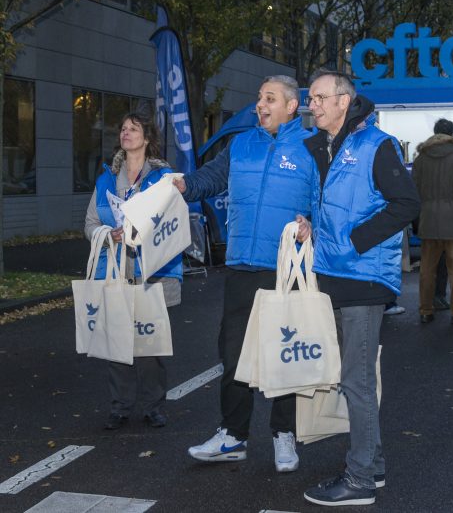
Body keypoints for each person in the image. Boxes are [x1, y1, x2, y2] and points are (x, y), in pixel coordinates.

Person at [178, 75, 315, 473]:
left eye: (269, 98)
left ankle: (283, 435)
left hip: (285, 269)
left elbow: (324, 202)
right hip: (241, 265)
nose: (261, 104)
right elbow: (209, 179)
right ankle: (233, 436)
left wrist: (313, 227)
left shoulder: (311, 148)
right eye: (259, 98)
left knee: (283, 354)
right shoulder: (241, 145)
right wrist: (182, 184)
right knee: (233, 355)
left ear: (292, 106)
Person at [302, 71, 420, 507]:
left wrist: (355, 240)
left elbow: (407, 203)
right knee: (353, 378)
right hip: (333, 273)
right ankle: (374, 463)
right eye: (310, 97)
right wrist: (310, 224)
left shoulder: (375, 144)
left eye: (318, 97)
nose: (310, 105)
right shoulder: (324, 145)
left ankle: (359, 480)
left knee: (355, 381)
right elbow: (333, 207)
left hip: (363, 278)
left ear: (343, 100)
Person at [84, 112, 183, 430]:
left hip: (153, 269)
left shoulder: (163, 177)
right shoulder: (105, 181)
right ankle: (120, 407)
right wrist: (107, 234)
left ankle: (154, 406)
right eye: (123, 128)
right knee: (117, 344)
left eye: (133, 128)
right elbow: (90, 224)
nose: (126, 132)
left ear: (148, 138)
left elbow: (174, 221)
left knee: (149, 347)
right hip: (114, 270)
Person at [412, 118, 453, 325]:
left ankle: (425, 310)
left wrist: (421, 211)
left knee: (427, 269)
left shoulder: (421, 157)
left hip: (429, 218)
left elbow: (414, 189)